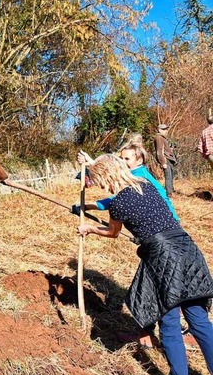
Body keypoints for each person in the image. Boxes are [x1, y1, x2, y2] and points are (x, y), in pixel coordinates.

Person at [77, 154, 213, 375]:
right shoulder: (146, 185)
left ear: (106, 177)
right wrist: (91, 162)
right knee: (199, 320)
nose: (102, 186)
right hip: (187, 249)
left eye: (100, 181)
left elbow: (112, 233)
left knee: (169, 322)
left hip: (164, 260)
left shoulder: (119, 204)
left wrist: (88, 229)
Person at [74, 142, 179, 349]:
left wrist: (89, 221)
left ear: (139, 160)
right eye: (121, 158)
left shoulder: (141, 177)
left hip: (160, 236)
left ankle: (151, 334)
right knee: (155, 290)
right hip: (158, 235)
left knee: (154, 291)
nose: (123, 161)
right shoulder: (133, 176)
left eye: (127, 158)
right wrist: (91, 164)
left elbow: (115, 200)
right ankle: (148, 332)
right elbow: (113, 182)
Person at [154, 124, 178, 196]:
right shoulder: (158, 137)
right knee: (168, 176)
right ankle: (168, 193)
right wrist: (163, 162)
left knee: (171, 175)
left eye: (166, 129)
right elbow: (159, 151)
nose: (166, 131)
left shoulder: (162, 137)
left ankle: (170, 190)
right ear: (159, 130)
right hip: (165, 159)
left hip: (168, 159)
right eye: (164, 129)